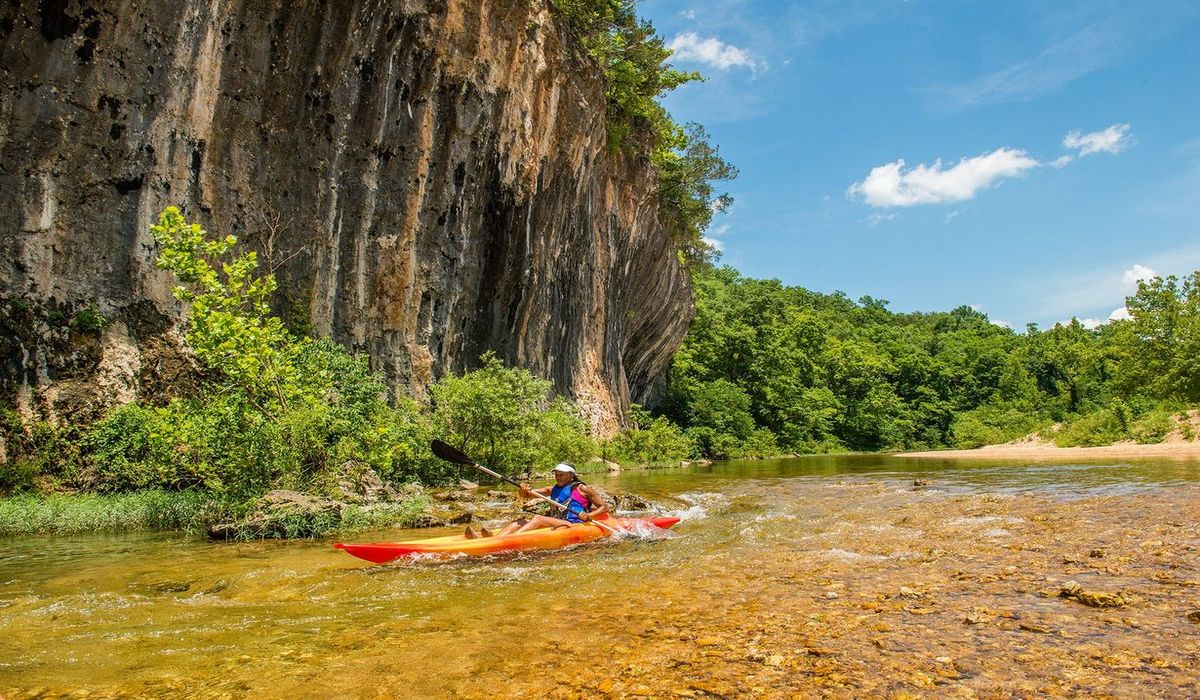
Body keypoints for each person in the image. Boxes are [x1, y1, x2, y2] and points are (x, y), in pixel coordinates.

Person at [464, 462, 608, 538]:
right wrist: (523, 489)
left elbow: (604, 507)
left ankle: (504, 541)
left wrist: (589, 516)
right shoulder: (552, 489)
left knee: (538, 518)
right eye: (556, 474)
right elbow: (525, 496)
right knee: (519, 522)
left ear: (571, 475)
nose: (558, 477)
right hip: (558, 523)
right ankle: (494, 539)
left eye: (561, 475)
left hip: (573, 525)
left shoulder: (583, 489)